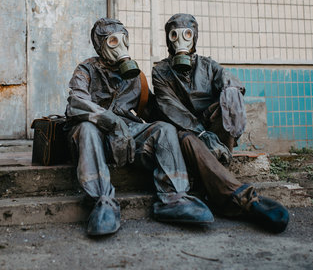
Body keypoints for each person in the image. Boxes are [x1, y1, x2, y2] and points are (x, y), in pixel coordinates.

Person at [65, 18, 214, 236]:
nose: (121, 47)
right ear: (100, 44)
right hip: (95, 135)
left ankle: (173, 198)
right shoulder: (86, 69)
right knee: (87, 129)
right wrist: (111, 121)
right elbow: (76, 103)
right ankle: (102, 202)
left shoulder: (135, 78)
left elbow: (154, 110)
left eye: (124, 40)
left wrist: (195, 125)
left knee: (164, 129)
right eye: (113, 42)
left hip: (127, 136)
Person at [152, 13, 289, 233]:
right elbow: (170, 108)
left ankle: (222, 159)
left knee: (230, 96)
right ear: (168, 38)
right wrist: (201, 133)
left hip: (214, 130)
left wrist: (231, 90)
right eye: (174, 34)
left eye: (187, 34)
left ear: (195, 36)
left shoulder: (208, 65)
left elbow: (230, 80)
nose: (181, 40)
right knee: (184, 137)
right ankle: (244, 199)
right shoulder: (160, 71)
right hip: (188, 133)